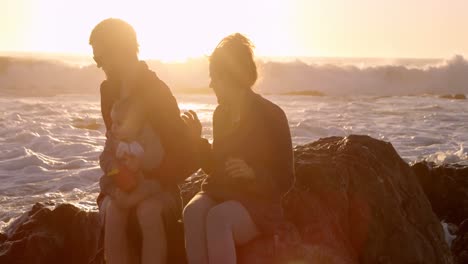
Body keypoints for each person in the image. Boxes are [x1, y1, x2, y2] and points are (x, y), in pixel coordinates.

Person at [90, 18, 196, 264]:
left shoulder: (156, 91)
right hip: (123, 181)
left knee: (146, 210)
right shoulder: (108, 91)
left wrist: (145, 179)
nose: (98, 65)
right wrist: (120, 177)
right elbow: (113, 147)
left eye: (100, 57)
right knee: (115, 210)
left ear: (118, 50)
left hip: (159, 186)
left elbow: (182, 158)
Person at [182, 33, 295, 264]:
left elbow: (286, 178)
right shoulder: (221, 114)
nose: (211, 84)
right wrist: (196, 141)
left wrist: (253, 173)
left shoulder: (271, 115)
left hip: (258, 201)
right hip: (223, 192)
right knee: (192, 212)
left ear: (231, 77)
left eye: (215, 77)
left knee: (218, 218)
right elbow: (216, 167)